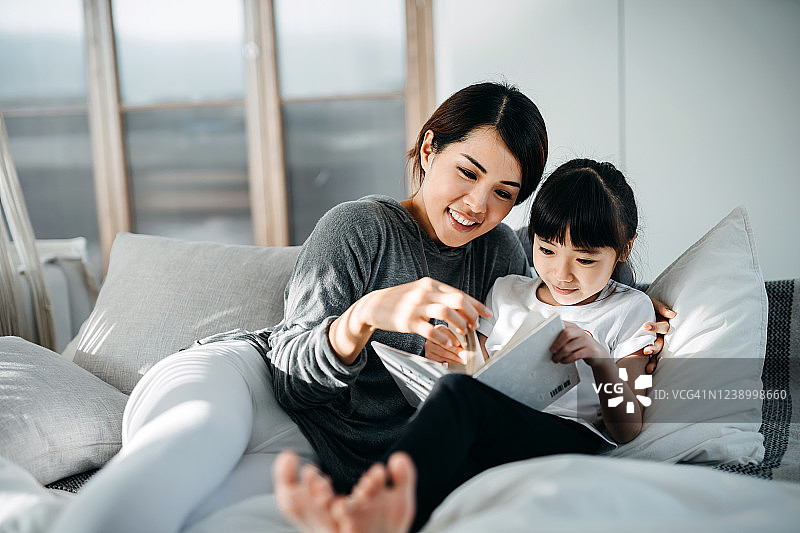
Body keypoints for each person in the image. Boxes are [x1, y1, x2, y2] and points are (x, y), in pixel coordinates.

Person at [52, 83, 670, 533]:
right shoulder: (359, 229)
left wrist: (644, 323)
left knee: (216, 518)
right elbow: (291, 374)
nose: (476, 205)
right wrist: (366, 315)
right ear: (429, 149)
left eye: (503, 194)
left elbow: (568, 288)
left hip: (326, 456)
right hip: (247, 380)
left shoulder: (502, 259)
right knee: (179, 457)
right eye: (467, 172)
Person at [274, 158, 662, 533]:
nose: (562, 273)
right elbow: (475, 369)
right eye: (546, 251)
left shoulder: (631, 309)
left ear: (624, 250)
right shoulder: (508, 290)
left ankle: (368, 508)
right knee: (449, 450)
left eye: (585, 260)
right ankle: (371, 518)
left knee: (459, 396)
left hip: (569, 437)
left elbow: (627, 428)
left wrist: (599, 361)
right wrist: (442, 356)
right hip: (494, 434)